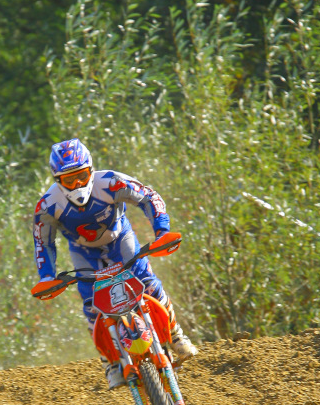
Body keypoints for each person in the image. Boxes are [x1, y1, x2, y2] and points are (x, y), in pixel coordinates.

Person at [33, 138, 197, 389]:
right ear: (57, 180)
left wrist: (162, 232)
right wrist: (47, 276)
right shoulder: (47, 205)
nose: (78, 185)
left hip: (120, 239)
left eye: (82, 176)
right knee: (92, 307)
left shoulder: (111, 182)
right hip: (84, 253)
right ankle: (110, 362)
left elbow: (148, 196)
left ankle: (175, 335)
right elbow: (42, 242)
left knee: (149, 285)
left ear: (91, 169)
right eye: (69, 180)